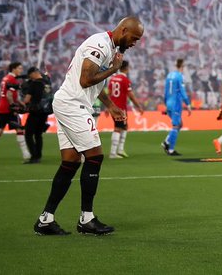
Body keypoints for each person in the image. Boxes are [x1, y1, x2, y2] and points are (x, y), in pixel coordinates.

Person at [33, 15, 145, 236]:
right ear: (123, 30)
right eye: (134, 38)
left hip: (69, 103)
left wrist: (110, 105)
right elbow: (85, 80)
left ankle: (46, 219)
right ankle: (87, 219)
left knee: (71, 162)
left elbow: (95, 83)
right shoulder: (99, 44)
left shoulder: (109, 48)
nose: (135, 43)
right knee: (94, 157)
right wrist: (114, 69)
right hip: (72, 104)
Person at [0, 61, 31, 162]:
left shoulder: (5, 78)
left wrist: (21, 103)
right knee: (19, 130)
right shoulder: (12, 79)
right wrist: (13, 106)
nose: (21, 70)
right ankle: (26, 154)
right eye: (19, 68)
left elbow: (11, 95)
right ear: (13, 69)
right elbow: (9, 95)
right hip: (9, 108)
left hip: (2, 107)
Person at [105, 60, 144, 158]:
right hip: (120, 109)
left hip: (113, 107)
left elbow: (109, 93)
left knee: (125, 127)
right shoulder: (125, 80)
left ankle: (120, 150)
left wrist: (107, 107)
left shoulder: (113, 79)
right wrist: (139, 107)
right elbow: (131, 96)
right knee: (118, 128)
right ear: (127, 68)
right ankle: (113, 153)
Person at [20, 66, 53, 164]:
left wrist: (21, 102)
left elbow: (27, 99)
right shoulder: (47, 82)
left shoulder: (35, 83)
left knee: (28, 134)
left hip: (35, 111)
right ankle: (38, 156)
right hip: (45, 111)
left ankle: (34, 156)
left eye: (30, 76)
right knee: (38, 134)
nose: (30, 78)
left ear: (34, 73)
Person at [162, 58, 192, 156]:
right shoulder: (180, 76)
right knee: (176, 126)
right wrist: (188, 104)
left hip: (169, 102)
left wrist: (166, 104)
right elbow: (183, 92)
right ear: (182, 66)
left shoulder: (169, 75)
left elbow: (165, 91)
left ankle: (166, 141)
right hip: (176, 104)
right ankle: (171, 149)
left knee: (180, 124)